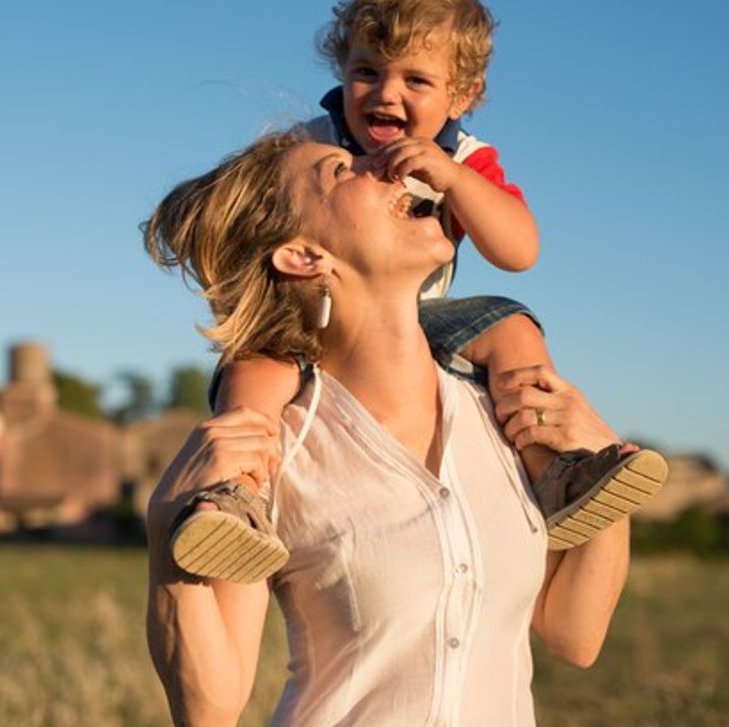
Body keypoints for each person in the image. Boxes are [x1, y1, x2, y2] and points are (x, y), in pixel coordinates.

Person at [169, 0, 666, 583]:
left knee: (512, 326)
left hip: (420, 318)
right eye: (366, 72)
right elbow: (249, 211)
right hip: (319, 310)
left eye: (416, 81)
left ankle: (557, 467)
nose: (385, 94)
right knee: (255, 365)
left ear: (464, 95)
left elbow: (520, 252)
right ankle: (236, 494)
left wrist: (454, 180)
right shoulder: (315, 144)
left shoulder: (464, 157)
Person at [144, 130, 635, 725]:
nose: (385, 165)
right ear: (304, 256)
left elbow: (574, 636)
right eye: (340, 171)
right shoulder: (277, 444)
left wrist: (607, 473)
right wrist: (167, 526)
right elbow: (211, 709)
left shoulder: (501, 412)